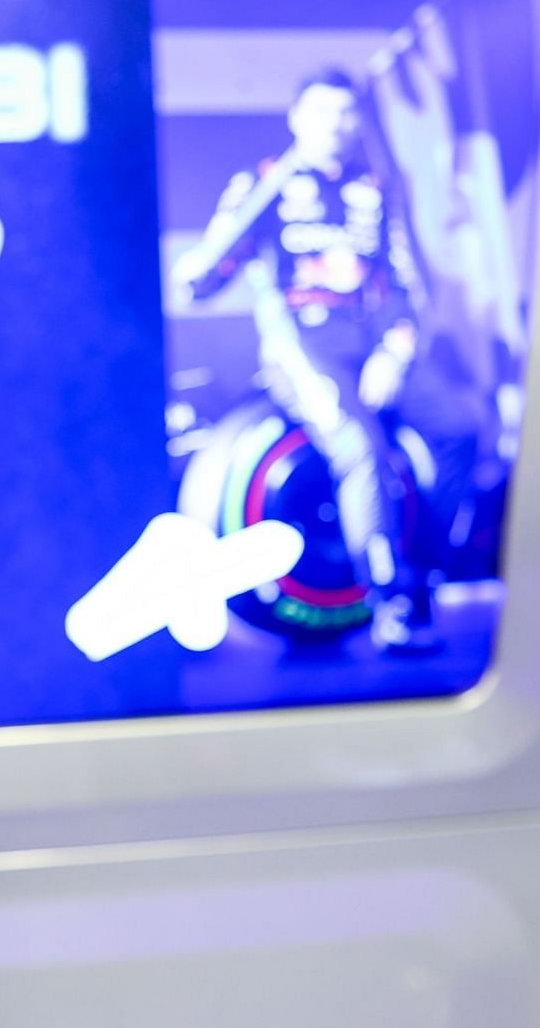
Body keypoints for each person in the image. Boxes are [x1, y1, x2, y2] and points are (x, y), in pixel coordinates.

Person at [171, 68, 429, 646]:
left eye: (346, 112)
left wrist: (397, 349)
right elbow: (202, 280)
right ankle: (396, 607)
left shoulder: (378, 187)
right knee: (360, 450)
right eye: (322, 113)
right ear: (297, 120)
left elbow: (411, 286)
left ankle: (435, 574)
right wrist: (222, 241)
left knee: (461, 425)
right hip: (299, 351)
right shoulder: (266, 183)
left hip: (374, 350)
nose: (336, 125)